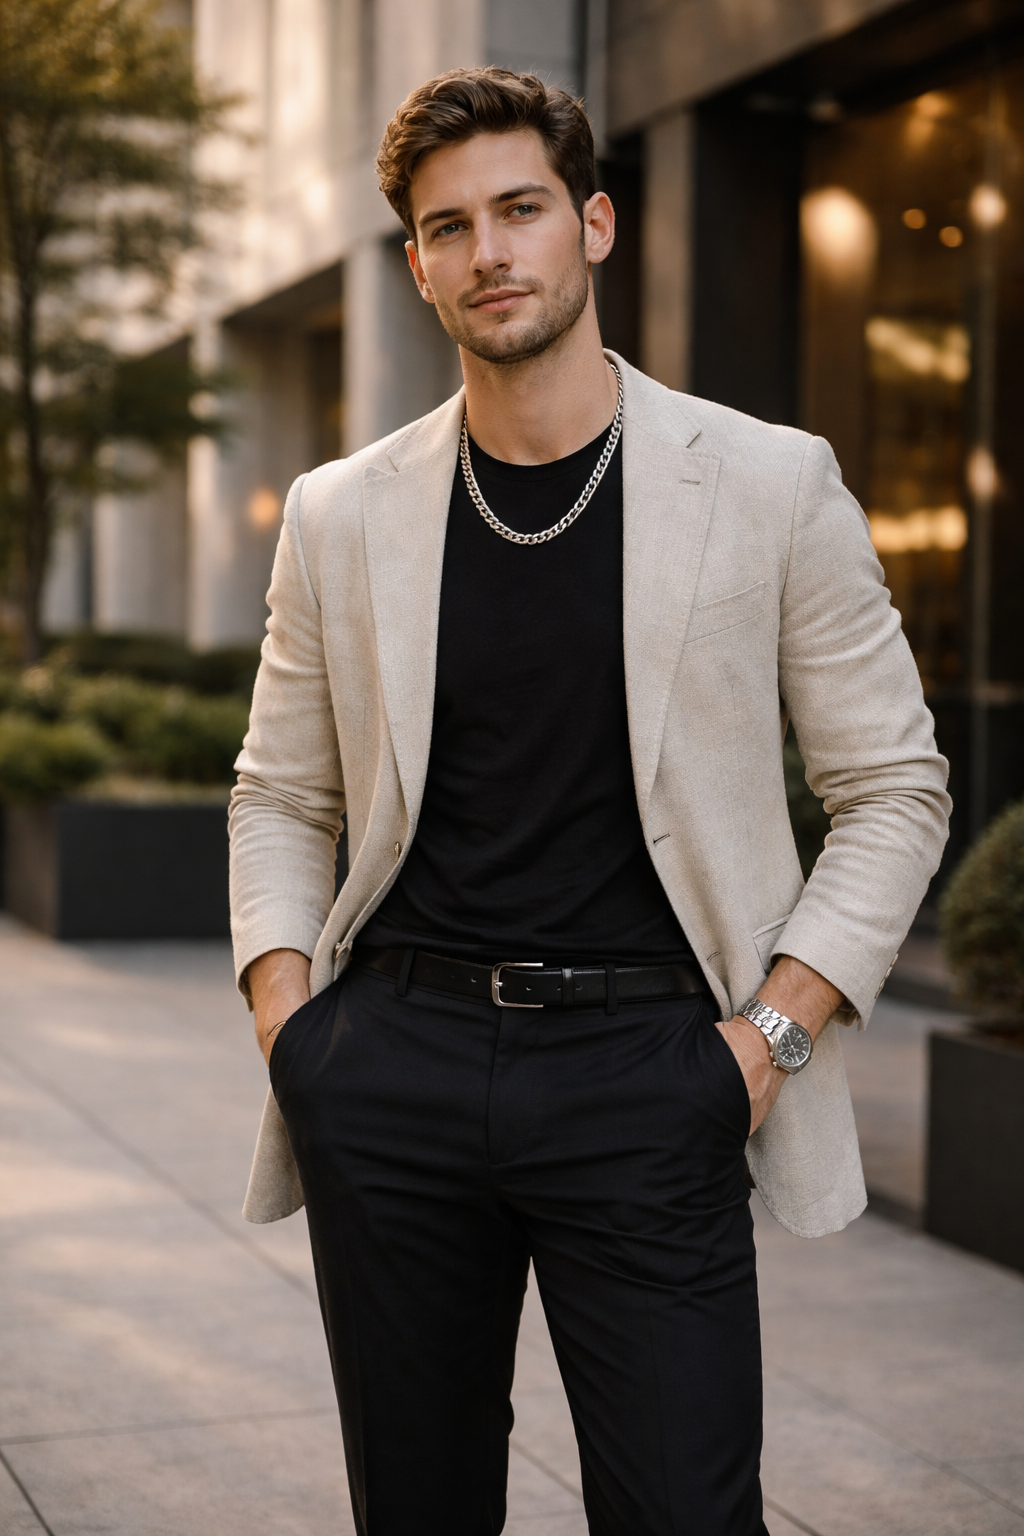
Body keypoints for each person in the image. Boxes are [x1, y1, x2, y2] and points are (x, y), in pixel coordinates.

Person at [229, 66, 950, 1536]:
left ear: (595, 224)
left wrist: (765, 1045)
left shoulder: (769, 482)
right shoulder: (340, 510)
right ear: (418, 265)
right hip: (396, 1067)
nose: (489, 252)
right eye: (449, 227)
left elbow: (893, 788)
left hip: (656, 1070)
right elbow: (280, 794)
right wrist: (296, 1032)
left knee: (685, 1510)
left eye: (521, 210)